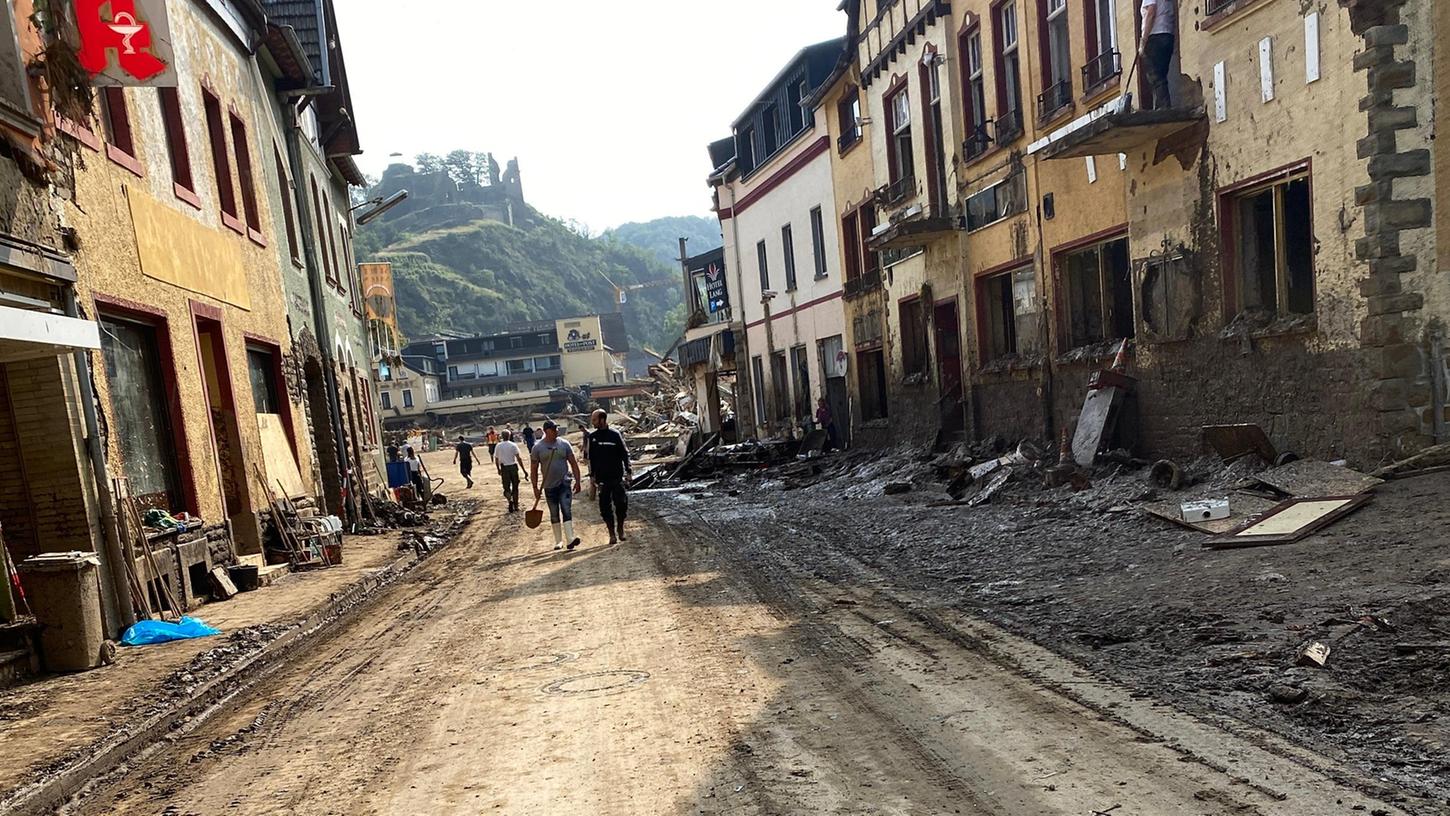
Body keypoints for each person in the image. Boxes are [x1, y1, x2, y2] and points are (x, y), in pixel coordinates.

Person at [531, 419, 583, 550]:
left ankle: (570, 538)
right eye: (554, 429)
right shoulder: (537, 448)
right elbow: (534, 469)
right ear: (546, 431)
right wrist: (535, 487)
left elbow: (573, 463)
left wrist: (577, 481)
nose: (556, 431)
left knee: (566, 509)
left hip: (564, 482)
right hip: (548, 486)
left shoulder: (564, 444)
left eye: (557, 429)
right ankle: (558, 541)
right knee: (554, 513)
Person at [586, 409, 631, 545]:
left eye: (594, 419)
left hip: (617, 477)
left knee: (621, 505)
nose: (592, 422)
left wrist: (628, 471)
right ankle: (611, 533)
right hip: (602, 480)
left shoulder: (615, 435)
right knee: (605, 508)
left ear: (602, 420)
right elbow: (591, 458)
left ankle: (620, 529)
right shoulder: (592, 437)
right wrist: (592, 476)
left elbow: (625, 454)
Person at [1139, 0, 1176, 110]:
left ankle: (1163, 107)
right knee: (1162, 74)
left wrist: (1144, 39)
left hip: (1155, 36)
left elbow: (1151, 12)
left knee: (1155, 76)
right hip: (1167, 34)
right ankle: (1162, 106)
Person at [494, 430, 523, 511]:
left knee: (506, 487)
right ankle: (516, 505)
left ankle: (510, 500)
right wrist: (523, 470)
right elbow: (518, 458)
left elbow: (496, 459)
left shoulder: (498, 446)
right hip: (513, 466)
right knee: (515, 486)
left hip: (504, 467)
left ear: (501, 437)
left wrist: (498, 469)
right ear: (509, 436)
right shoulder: (513, 445)